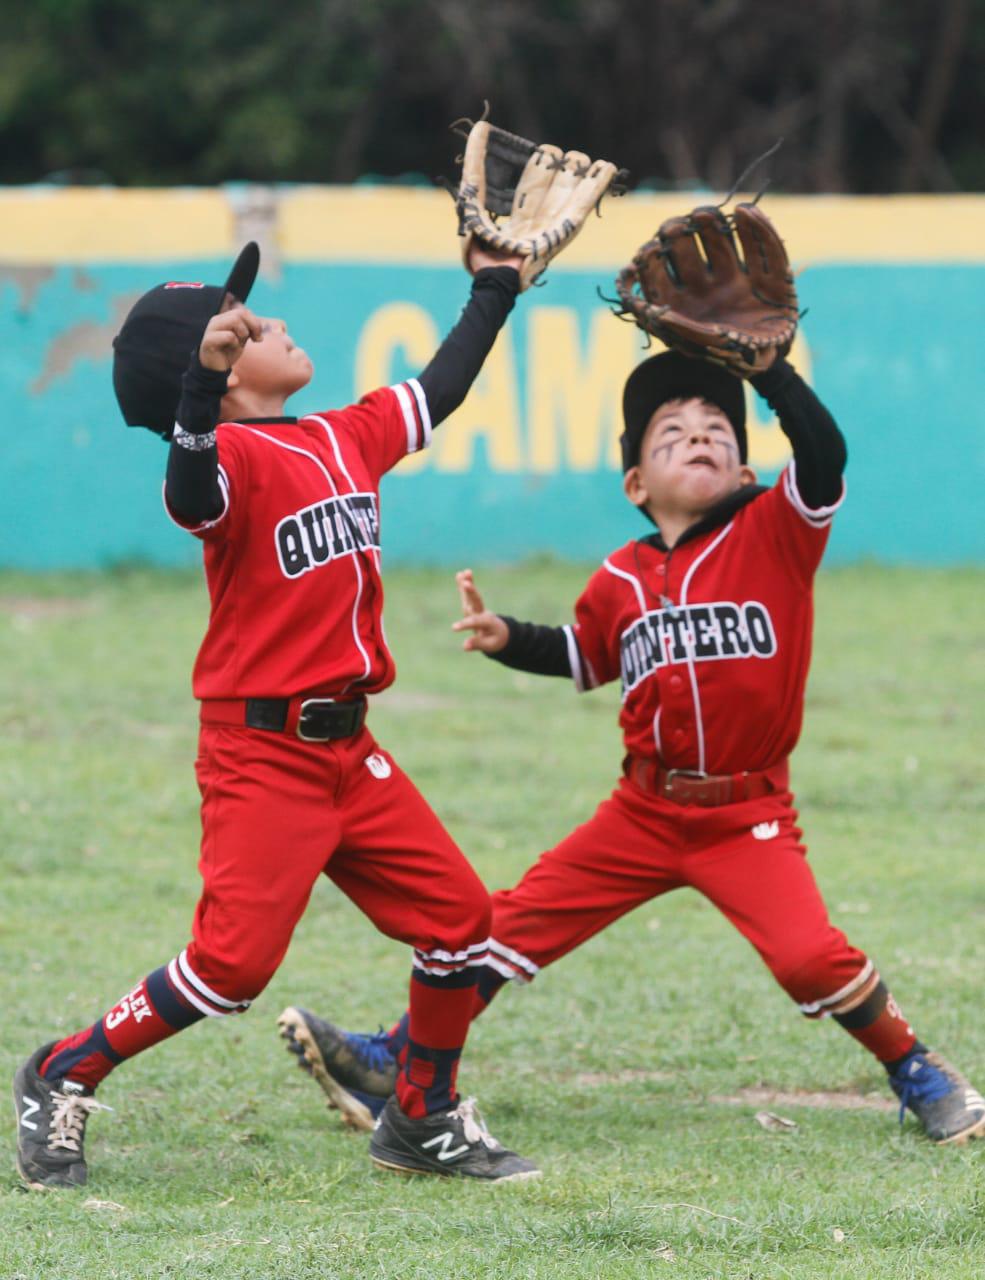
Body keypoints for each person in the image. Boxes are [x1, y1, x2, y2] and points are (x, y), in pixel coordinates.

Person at [278, 349, 985, 1148]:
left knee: (808, 959)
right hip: (642, 812)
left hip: (743, 810)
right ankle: (399, 1062)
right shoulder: (620, 577)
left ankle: (917, 1069)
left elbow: (823, 455)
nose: (699, 436)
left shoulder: (776, 531)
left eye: (717, 429)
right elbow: (584, 653)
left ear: (748, 469)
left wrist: (771, 377)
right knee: (499, 927)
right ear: (635, 486)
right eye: (672, 432)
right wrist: (509, 636)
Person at [12, 238, 544, 1189]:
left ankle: (421, 1118)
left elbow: (439, 390)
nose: (281, 324)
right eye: (253, 324)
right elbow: (192, 492)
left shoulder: (344, 434)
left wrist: (495, 287)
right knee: (229, 969)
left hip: (350, 749)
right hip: (261, 755)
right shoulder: (225, 460)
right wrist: (192, 405)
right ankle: (62, 1071)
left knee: (461, 920)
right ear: (214, 366)